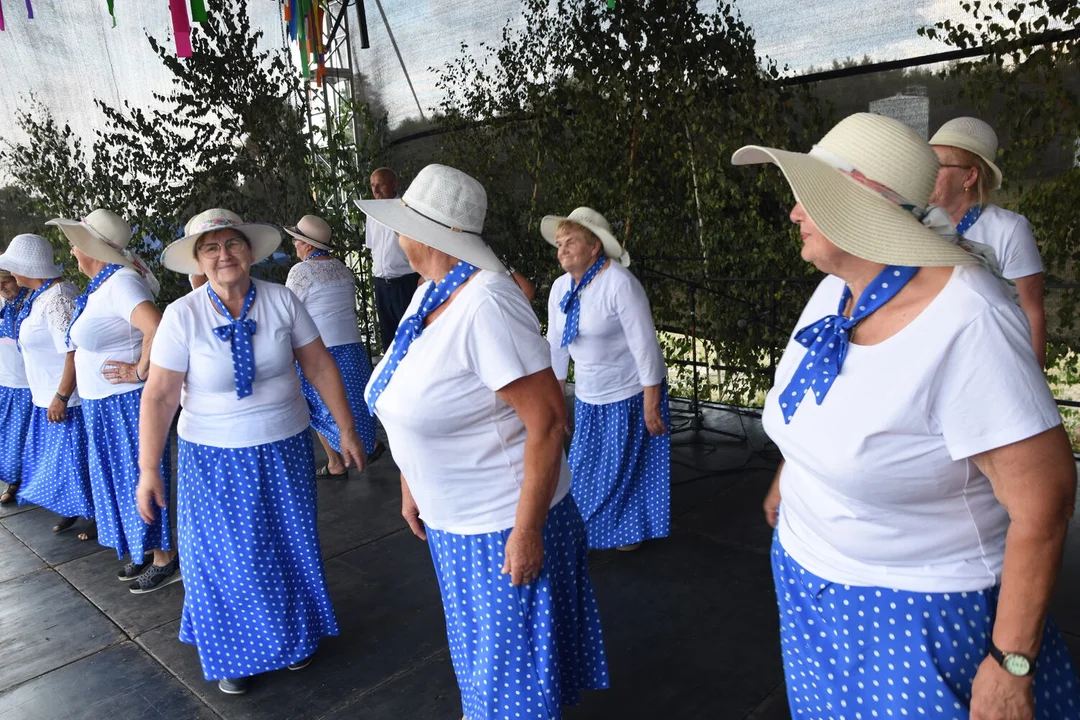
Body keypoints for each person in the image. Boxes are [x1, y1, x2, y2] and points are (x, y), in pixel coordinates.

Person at [732, 112, 1079, 718]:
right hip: (812, 585)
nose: (793, 213)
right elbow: (826, 400)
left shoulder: (969, 321)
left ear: (861, 201)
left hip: (916, 614)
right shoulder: (840, 287)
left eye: (807, 197)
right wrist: (795, 475)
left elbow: (1044, 499)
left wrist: (1009, 664)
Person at [356, 164, 609, 720]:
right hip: (459, 523)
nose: (398, 235)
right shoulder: (430, 294)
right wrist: (411, 481)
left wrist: (527, 531)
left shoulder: (486, 303)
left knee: (508, 689)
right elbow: (415, 397)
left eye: (402, 224)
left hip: (499, 525)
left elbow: (547, 422)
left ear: (423, 235)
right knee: (490, 673)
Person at [137, 208, 364, 695]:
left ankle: (292, 638)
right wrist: (147, 468)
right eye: (211, 248)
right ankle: (233, 653)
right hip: (213, 457)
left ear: (250, 250)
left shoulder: (281, 300)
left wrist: (346, 428)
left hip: (284, 447)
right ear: (198, 259)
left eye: (232, 244)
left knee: (287, 547)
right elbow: (158, 395)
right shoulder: (183, 315)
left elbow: (320, 365)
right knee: (225, 558)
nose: (224, 255)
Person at [48, 209, 179, 591]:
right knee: (121, 481)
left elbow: (157, 327)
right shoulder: (103, 286)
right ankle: (144, 550)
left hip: (124, 402)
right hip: (103, 403)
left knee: (138, 476)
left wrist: (139, 370)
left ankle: (163, 557)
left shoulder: (122, 282)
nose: (72, 250)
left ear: (91, 247)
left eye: (75, 243)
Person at [542, 207, 670, 552]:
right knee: (584, 466)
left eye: (570, 242)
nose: (562, 250)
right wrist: (558, 398)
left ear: (595, 247)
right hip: (588, 393)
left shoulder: (620, 284)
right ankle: (592, 529)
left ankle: (625, 531)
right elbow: (557, 346)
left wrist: (651, 401)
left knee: (624, 469)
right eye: (559, 244)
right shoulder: (560, 289)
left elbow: (645, 346)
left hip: (628, 391)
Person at [929, 117, 1047, 366]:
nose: (924, 173)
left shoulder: (1009, 229)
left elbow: (1032, 313)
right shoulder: (916, 225)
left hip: (988, 365)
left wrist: (1031, 388)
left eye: (935, 165)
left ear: (969, 177)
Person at [0, 234, 94, 533]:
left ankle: (96, 516)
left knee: (78, 463)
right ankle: (74, 509)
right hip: (45, 395)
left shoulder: (59, 299)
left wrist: (62, 396)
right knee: (61, 464)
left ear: (27, 267)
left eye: (12, 268)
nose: (10, 275)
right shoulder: (41, 295)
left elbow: (73, 352)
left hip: (66, 397)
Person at [284, 214, 384, 476]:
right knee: (351, 405)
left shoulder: (300, 272)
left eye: (296, 240)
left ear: (307, 245)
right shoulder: (343, 269)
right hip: (352, 349)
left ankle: (336, 462)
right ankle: (365, 445)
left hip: (321, 351)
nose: (294, 244)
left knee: (316, 405)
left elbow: (289, 312)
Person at [366, 168, 422, 352]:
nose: (376, 190)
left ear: (394, 185)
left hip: (404, 281)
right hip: (382, 282)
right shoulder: (371, 213)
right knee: (388, 337)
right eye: (373, 185)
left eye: (380, 184)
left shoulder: (406, 209)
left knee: (411, 334)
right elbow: (373, 247)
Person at [0, 269, 33, 505]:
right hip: (6, 381)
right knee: (9, 438)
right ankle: (15, 481)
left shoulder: (33, 301)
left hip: (30, 383)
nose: (2, 288)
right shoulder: (4, 305)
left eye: (6, 281)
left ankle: (32, 486)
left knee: (30, 438)